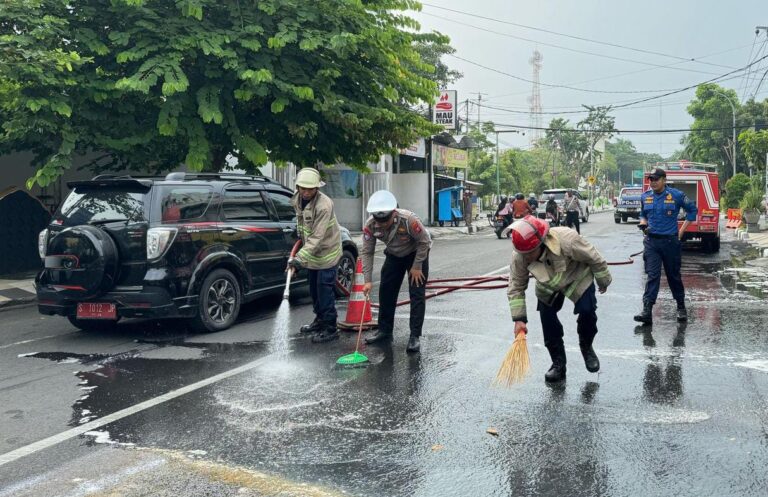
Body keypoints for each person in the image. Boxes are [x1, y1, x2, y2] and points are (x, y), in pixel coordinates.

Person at [507, 215, 612, 383]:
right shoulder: (520, 255)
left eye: (530, 253)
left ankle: (586, 347)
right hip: (548, 286)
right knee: (548, 321)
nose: (526, 257)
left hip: (577, 278)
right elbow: (516, 286)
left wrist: (603, 280)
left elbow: (593, 256)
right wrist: (519, 319)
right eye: (523, 254)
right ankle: (558, 364)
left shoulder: (567, 239)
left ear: (541, 242)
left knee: (587, 311)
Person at [361, 190, 431, 353]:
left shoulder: (409, 220)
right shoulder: (370, 225)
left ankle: (414, 336)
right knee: (386, 291)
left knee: (417, 294)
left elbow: (425, 241)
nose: (382, 224)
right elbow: (367, 252)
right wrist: (367, 280)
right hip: (394, 255)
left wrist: (417, 266)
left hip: (416, 254)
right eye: (379, 221)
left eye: (385, 220)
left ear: (393, 213)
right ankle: (384, 331)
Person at [633, 168, 697, 324]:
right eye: (651, 179)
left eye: (656, 179)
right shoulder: (645, 196)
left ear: (664, 180)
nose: (653, 182)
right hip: (651, 242)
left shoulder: (676, 195)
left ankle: (681, 307)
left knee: (673, 276)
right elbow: (643, 214)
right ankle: (647, 310)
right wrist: (643, 223)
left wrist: (681, 231)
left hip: (670, 242)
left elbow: (692, 210)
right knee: (652, 276)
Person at [289, 167, 343, 343]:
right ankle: (320, 320)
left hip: (327, 252)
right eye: (303, 188)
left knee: (324, 290)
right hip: (311, 253)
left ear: (317, 188)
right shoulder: (297, 199)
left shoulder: (324, 205)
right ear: (298, 187)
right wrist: (299, 236)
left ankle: (330, 327)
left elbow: (317, 237)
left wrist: (298, 259)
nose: (306, 192)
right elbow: (303, 222)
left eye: (310, 189)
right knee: (313, 289)